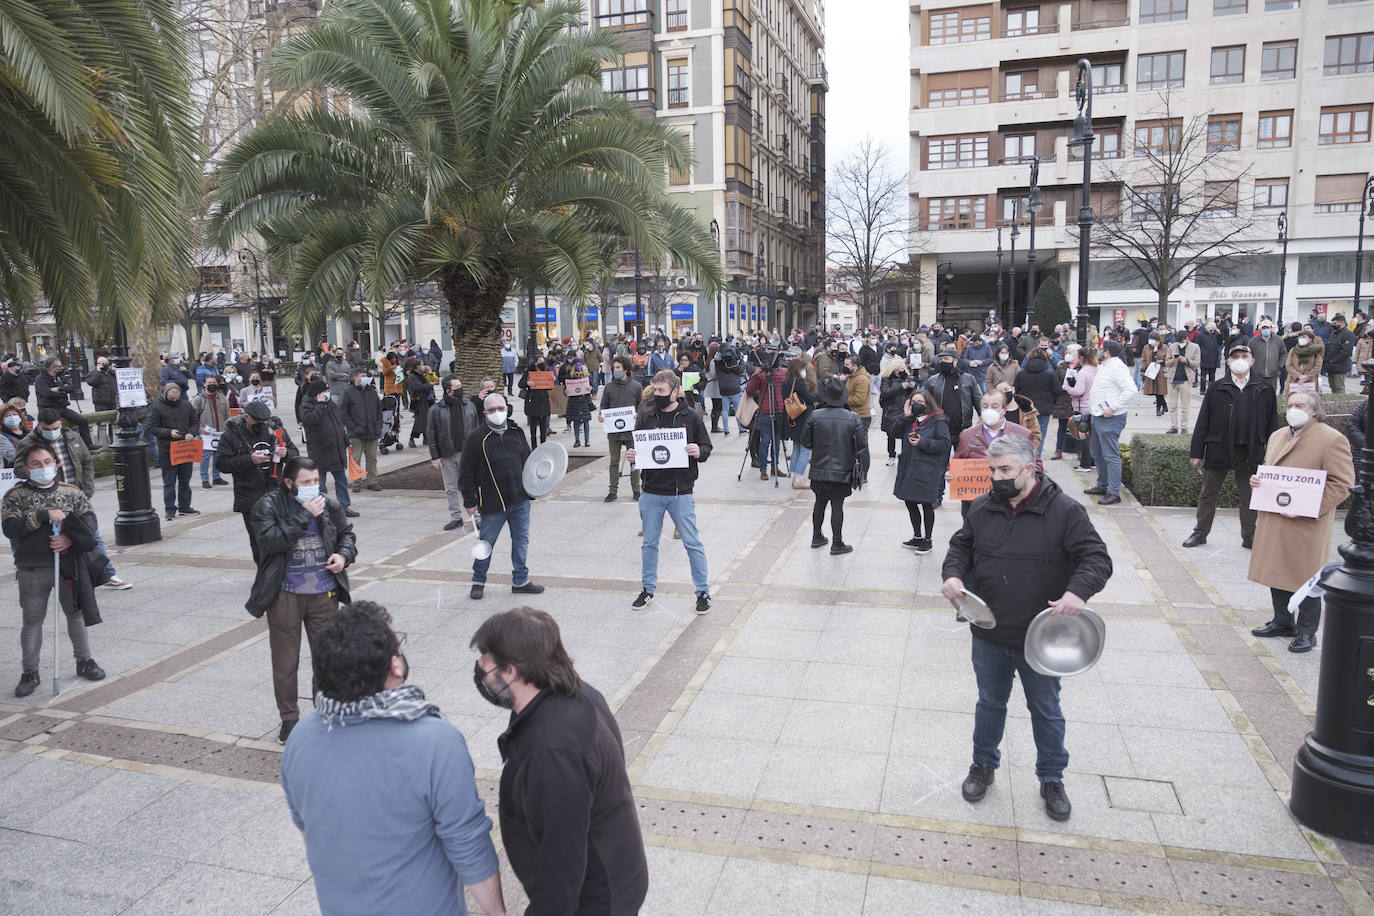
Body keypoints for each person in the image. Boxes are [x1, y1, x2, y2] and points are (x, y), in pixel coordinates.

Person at [281, 600, 504, 916]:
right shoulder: (435, 742)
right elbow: (468, 847)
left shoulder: (301, 737)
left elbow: (308, 830)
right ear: (395, 665)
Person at [941, 433, 1113, 822]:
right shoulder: (984, 507)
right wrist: (953, 574)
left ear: (1030, 469)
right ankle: (982, 766)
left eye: (1005, 470)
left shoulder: (1065, 511)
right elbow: (960, 546)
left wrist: (1077, 593)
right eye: (992, 470)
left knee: (1046, 710)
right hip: (989, 633)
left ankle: (1051, 778)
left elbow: (1096, 558)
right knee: (989, 704)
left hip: (1040, 638)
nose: (996, 477)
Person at [469, 607, 647, 914]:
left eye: (485, 664)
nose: (479, 671)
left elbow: (561, 865)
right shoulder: (576, 693)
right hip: (617, 875)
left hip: (596, 901)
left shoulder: (552, 750)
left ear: (511, 671)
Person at [246, 457, 356, 744]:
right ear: (288, 483)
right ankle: (289, 719)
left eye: (316, 481)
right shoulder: (267, 506)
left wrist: (343, 556)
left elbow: (346, 534)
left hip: (323, 593)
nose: (313, 487)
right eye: (306, 482)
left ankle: (325, 714)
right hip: (285, 595)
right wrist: (304, 515)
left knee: (326, 660)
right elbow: (269, 542)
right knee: (285, 662)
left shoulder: (328, 505)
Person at [1247, 390, 1355, 653]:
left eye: (1300, 405)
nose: (1293, 408)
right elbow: (1271, 471)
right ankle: (1283, 621)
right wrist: (1259, 483)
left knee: (1305, 576)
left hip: (1305, 522)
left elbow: (1342, 483)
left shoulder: (1331, 439)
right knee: (1276, 570)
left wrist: (1310, 507)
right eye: (1290, 404)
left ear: (1314, 410)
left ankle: (1307, 632)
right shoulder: (1277, 435)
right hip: (1275, 517)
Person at [3, 441, 108, 696]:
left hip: (68, 565)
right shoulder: (15, 496)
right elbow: (10, 528)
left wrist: (70, 540)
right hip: (33, 568)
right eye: (35, 464)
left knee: (75, 614)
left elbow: (90, 522)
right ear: (26, 469)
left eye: (47, 462)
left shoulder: (71, 492)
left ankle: (84, 660)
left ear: (57, 464)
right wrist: (41, 515)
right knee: (32, 620)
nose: (43, 468)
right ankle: (30, 671)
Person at [628, 370, 713, 612]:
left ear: (675, 392)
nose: (657, 395)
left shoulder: (690, 416)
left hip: (680, 492)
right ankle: (647, 590)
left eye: (662, 391)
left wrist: (699, 450)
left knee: (692, 543)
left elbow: (706, 446)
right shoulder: (647, 413)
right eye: (655, 390)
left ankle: (703, 592)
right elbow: (638, 444)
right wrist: (633, 454)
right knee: (649, 544)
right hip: (651, 491)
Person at [1183, 343, 1280, 549]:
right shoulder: (1217, 388)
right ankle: (1200, 532)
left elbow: (1273, 425)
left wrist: (1273, 454)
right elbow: (1203, 422)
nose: (1240, 360)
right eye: (1235, 356)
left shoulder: (1264, 389)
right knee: (1208, 493)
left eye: (1244, 356)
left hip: (1251, 451)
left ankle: (1249, 536)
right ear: (1228, 361)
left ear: (1252, 361)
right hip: (1220, 447)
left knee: (1250, 496)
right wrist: (1196, 451)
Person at [25, 409, 130, 589]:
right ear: (39, 427)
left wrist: (87, 487)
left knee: (92, 535)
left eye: (56, 427)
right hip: (49, 502)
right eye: (47, 429)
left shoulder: (71, 436)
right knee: (55, 540)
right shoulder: (28, 443)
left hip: (76, 496)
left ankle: (107, 574)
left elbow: (86, 461)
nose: (52, 431)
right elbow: (20, 469)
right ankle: (56, 578)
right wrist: (43, 469)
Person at [458, 393, 544, 600]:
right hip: (493, 503)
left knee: (521, 541)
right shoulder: (476, 438)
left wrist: (537, 485)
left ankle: (520, 581)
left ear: (507, 409)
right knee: (486, 543)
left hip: (520, 500)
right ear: (485, 413)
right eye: (493, 410)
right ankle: (478, 581)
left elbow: (529, 462)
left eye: (501, 408)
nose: (498, 413)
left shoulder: (516, 432)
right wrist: (470, 501)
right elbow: (466, 472)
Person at [217, 400, 299, 563]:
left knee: (282, 533)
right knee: (258, 538)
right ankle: (264, 572)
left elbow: (294, 453)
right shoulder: (231, 436)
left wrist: (286, 453)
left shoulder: (276, 431)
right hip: (249, 494)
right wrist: (249, 460)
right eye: (258, 422)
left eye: (265, 421)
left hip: (276, 491)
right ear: (246, 417)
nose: (263, 425)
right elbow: (222, 464)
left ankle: (282, 569)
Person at [800, 376, 866, 555]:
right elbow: (861, 445)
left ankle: (816, 536)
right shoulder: (853, 417)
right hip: (842, 470)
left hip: (819, 469)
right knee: (838, 505)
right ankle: (837, 542)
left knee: (819, 503)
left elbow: (805, 442)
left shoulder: (815, 415)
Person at [894, 387, 950, 553]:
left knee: (926, 505)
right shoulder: (910, 420)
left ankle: (928, 539)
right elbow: (894, 432)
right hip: (908, 468)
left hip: (926, 470)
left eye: (920, 402)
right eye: (913, 402)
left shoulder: (938, 420)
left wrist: (923, 442)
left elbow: (944, 444)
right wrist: (904, 416)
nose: (916, 404)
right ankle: (917, 536)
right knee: (909, 502)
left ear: (927, 403)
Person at [1082, 339, 1134, 506]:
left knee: (1110, 455)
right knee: (1097, 452)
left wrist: (1113, 407)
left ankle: (1113, 492)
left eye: (1100, 348)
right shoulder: (1105, 365)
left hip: (1110, 417)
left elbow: (1131, 390)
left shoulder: (1117, 367)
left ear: (1106, 352)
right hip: (1098, 415)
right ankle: (1102, 485)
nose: (1097, 350)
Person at [299, 378, 359, 519]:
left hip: (336, 449)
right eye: (324, 391)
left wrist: (345, 440)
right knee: (320, 484)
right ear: (317, 393)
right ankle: (323, 510)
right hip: (320, 450)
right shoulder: (306, 405)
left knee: (341, 480)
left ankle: (344, 506)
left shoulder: (330, 404)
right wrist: (320, 405)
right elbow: (309, 420)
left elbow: (338, 424)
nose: (327, 393)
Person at [147, 382, 202, 522]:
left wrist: (191, 433)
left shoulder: (186, 405)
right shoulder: (157, 407)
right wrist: (169, 432)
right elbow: (151, 428)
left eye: (177, 397)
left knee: (185, 480)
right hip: (168, 449)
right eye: (172, 398)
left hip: (185, 447)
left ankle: (185, 506)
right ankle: (170, 509)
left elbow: (195, 423)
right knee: (169, 481)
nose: (175, 400)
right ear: (166, 394)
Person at [428, 375, 477, 532]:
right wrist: (435, 456)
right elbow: (431, 434)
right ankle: (456, 517)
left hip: (467, 453)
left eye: (460, 386)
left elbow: (476, 429)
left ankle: (476, 516)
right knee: (450, 487)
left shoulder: (469, 406)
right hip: (448, 453)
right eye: (457, 388)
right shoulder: (436, 410)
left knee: (471, 484)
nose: (460, 390)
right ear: (448, 391)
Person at [599, 356, 642, 502]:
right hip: (614, 432)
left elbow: (641, 406)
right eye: (614, 367)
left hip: (631, 431)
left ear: (625, 369)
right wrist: (601, 416)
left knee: (634, 460)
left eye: (618, 367)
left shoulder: (636, 386)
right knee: (614, 461)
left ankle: (636, 489)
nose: (615, 370)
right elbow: (604, 405)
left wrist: (638, 414)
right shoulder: (609, 387)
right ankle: (612, 490)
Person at [745, 349, 789, 479]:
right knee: (776, 440)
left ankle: (763, 469)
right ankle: (774, 467)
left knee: (765, 441)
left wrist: (756, 374)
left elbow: (749, 390)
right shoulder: (784, 373)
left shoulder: (761, 375)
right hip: (780, 410)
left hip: (765, 410)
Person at [1013, 342, 1060, 458]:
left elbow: (1016, 390)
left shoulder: (1021, 374)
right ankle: (1036, 461)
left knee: (1024, 434)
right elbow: (1057, 390)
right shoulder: (1050, 374)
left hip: (1025, 408)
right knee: (1040, 435)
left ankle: (1025, 458)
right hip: (1044, 408)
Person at [35, 357, 93, 449]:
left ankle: (88, 445)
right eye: (59, 366)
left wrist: (59, 389)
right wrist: (63, 391)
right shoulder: (40, 379)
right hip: (48, 409)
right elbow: (47, 393)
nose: (62, 368)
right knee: (59, 427)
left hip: (62, 407)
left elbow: (71, 388)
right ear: (52, 368)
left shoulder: (60, 377)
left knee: (82, 420)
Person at [342, 367, 383, 493]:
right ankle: (356, 483)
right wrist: (352, 426)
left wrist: (378, 426)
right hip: (356, 433)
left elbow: (378, 409)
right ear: (355, 378)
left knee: (372, 458)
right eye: (363, 375)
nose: (366, 378)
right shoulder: (349, 392)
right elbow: (343, 411)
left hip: (372, 431)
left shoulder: (371, 391)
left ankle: (372, 481)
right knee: (355, 458)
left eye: (366, 375)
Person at [782, 356, 817, 484]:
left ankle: (793, 475)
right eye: (803, 369)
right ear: (798, 369)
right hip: (802, 418)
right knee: (806, 449)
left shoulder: (786, 381)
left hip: (792, 418)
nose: (805, 371)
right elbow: (810, 398)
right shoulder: (799, 382)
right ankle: (799, 477)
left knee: (797, 446)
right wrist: (821, 394)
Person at [192, 374, 231, 488]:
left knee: (218, 456)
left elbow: (227, 414)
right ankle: (204, 479)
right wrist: (199, 429)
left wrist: (228, 428)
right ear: (204, 384)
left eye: (214, 383)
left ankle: (216, 477)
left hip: (220, 432)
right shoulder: (199, 399)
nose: (212, 385)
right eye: (209, 383)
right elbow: (193, 416)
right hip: (206, 434)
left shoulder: (222, 398)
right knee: (205, 457)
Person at [879, 361, 917, 466]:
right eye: (900, 369)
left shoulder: (906, 377)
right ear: (894, 370)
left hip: (904, 411)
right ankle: (891, 456)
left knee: (906, 435)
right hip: (891, 411)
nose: (902, 371)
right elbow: (885, 393)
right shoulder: (886, 379)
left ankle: (905, 455)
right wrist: (901, 386)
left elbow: (914, 395)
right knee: (890, 436)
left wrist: (913, 387)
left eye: (903, 369)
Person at [1164, 331, 1201, 435]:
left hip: (1186, 380)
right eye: (1178, 342)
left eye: (1182, 341)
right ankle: (1174, 426)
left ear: (1187, 338)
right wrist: (1173, 361)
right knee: (1172, 405)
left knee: (1185, 406)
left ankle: (1184, 426)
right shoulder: (1172, 347)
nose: (1180, 344)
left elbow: (1197, 363)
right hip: (1172, 380)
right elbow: (1166, 362)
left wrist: (1186, 360)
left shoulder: (1195, 347)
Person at [518, 354, 552, 450]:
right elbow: (520, 384)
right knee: (533, 428)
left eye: (543, 361)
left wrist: (551, 380)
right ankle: (534, 447)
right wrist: (527, 383)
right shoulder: (529, 372)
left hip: (543, 402)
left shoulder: (546, 371)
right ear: (535, 363)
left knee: (543, 427)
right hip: (532, 402)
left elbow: (550, 387)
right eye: (539, 362)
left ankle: (543, 446)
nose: (541, 363)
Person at [404, 358, 434, 450]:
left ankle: (426, 438)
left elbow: (432, 379)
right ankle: (412, 438)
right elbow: (418, 387)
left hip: (426, 400)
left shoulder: (422, 375)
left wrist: (430, 374)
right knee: (419, 421)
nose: (423, 366)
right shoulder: (413, 376)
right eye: (422, 364)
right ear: (417, 366)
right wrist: (430, 385)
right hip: (419, 401)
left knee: (427, 420)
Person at [1250, 319, 1286, 393]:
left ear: (1271, 328)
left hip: (1273, 374)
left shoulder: (1278, 340)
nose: (1265, 330)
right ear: (1261, 329)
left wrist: (1279, 365)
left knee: (1271, 393)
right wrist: (1252, 366)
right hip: (1258, 374)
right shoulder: (1253, 341)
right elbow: (1248, 354)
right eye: (1263, 328)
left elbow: (1283, 354)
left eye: (1267, 328)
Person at [1286, 330, 1324, 394]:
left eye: (1304, 337)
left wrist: (1306, 377)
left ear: (1310, 339)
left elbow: (1318, 367)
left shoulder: (1317, 351)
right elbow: (1288, 365)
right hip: (1294, 381)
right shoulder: (1293, 350)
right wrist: (1299, 376)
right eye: (1300, 337)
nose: (1301, 339)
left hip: (1310, 382)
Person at [1325, 313, 1356, 394]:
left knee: (1339, 387)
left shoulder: (1348, 334)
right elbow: (1328, 348)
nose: (1333, 325)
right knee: (1332, 386)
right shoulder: (1333, 334)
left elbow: (1346, 351)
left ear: (1342, 323)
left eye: (1335, 323)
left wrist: (1334, 360)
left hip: (1340, 365)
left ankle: (1341, 403)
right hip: (1330, 365)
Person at [842, 352, 873, 431]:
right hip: (852, 415)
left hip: (861, 417)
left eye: (847, 365)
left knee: (860, 443)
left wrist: (842, 399)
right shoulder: (851, 376)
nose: (844, 367)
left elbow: (859, 399)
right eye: (844, 364)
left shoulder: (861, 379)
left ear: (855, 366)